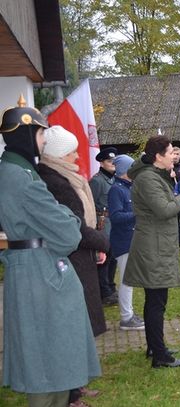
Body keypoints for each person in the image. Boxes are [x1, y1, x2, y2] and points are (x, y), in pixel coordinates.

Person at [0, 97, 100, 404]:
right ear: (27, 135)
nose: (45, 141)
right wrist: (67, 220)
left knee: (45, 353)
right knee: (47, 357)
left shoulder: (15, 172)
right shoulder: (24, 179)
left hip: (31, 267)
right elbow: (69, 233)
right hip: (40, 274)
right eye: (42, 134)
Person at [124, 135, 180, 368]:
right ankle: (160, 356)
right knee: (156, 302)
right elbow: (163, 209)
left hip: (156, 244)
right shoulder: (148, 179)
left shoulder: (153, 175)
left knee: (156, 301)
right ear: (157, 157)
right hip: (153, 247)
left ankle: (155, 346)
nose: (174, 155)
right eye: (170, 152)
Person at [39, 125, 109, 337]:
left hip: (80, 254)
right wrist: (103, 242)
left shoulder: (64, 177)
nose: (77, 156)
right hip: (71, 258)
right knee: (77, 327)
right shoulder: (55, 182)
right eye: (72, 152)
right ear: (59, 155)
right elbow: (74, 224)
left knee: (82, 325)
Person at [108, 154, 145, 330]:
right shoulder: (116, 190)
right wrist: (137, 214)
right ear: (125, 171)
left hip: (131, 239)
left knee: (130, 280)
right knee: (126, 281)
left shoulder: (128, 187)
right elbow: (115, 217)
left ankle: (129, 313)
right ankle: (126, 317)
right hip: (123, 241)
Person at [89, 145, 118, 306]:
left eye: (114, 160)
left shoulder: (115, 179)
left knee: (113, 257)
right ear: (101, 163)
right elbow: (90, 203)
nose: (112, 163)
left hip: (114, 223)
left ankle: (111, 286)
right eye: (109, 161)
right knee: (103, 259)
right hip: (103, 223)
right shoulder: (97, 181)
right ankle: (104, 292)